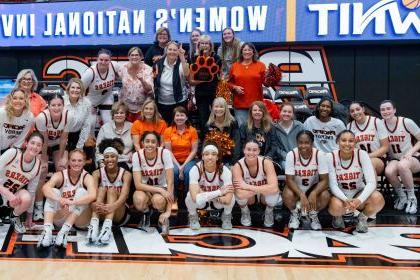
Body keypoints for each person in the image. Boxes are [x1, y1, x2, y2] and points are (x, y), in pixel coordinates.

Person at [327, 130, 384, 233]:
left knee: (378, 198)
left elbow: (371, 182)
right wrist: (345, 199)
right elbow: (333, 185)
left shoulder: (362, 154)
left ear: (355, 142)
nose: (347, 144)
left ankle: (362, 218)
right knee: (335, 207)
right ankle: (338, 217)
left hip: (358, 192)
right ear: (337, 142)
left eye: (351, 141)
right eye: (344, 140)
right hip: (340, 196)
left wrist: (359, 200)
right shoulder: (330, 157)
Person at [38, 149, 96, 247]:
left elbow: (93, 195)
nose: (76, 163)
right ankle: (47, 233)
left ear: (84, 162)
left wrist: (72, 202)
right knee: (54, 191)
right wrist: (59, 199)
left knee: (82, 192)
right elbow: (45, 188)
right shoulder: (60, 175)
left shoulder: (87, 177)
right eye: (73, 160)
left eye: (79, 160)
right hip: (62, 217)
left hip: (80, 220)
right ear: (68, 161)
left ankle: (64, 232)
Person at [34, 93, 72, 221]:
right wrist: (44, 159)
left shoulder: (68, 116)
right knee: (42, 171)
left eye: (59, 105)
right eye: (53, 105)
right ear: (48, 106)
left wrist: (61, 158)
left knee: (62, 169)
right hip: (42, 144)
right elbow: (43, 140)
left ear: (63, 105)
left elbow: (63, 139)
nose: (56, 108)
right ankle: (38, 207)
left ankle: (61, 204)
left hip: (57, 144)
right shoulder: (41, 117)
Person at [87, 139, 132, 244]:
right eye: (107, 157)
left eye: (112, 156)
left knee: (111, 190)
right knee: (101, 189)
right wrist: (92, 204)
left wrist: (113, 206)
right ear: (103, 159)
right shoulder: (96, 173)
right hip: (101, 210)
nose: (109, 159)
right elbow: (92, 195)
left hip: (119, 213)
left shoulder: (126, 174)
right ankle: (93, 227)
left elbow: (124, 196)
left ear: (117, 158)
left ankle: (107, 229)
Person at [283, 131, 330, 230]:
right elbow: (289, 180)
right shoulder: (291, 155)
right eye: (300, 142)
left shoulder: (319, 155)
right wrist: (301, 194)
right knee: (287, 194)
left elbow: (325, 180)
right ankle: (295, 213)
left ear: (312, 143)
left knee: (325, 195)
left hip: (312, 188)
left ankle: (313, 214)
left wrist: (314, 192)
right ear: (297, 143)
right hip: (296, 189)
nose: (303, 146)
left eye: (306, 142)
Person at [380, 100, 420, 214]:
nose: (386, 111)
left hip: (412, 158)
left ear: (394, 110)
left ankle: (412, 199)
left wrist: (410, 152)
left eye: (388, 108)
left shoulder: (406, 122)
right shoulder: (380, 124)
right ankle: (402, 196)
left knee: (403, 165)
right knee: (388, 171)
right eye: (382, 109)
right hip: (395, 158)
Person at [185, 141, 235, 230]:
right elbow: (194, 197)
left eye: (214, 154)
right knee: (189, 197)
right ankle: (193, 216)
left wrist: (203, 194)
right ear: (203, 157)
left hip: (217, 203)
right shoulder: (195, 170)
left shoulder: (224, 170)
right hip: (202, 203)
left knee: (232, 198)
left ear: (217, 157)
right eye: (207, 154)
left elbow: (227, 199)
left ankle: (227, 216)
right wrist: (219, 192)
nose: (210, 157)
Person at [132, 131, 174, 235]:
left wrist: (168, 211)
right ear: (142, 143)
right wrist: (159, 190)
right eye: (147, 141)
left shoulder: (164, 153)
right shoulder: (136, 156)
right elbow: (138, 184)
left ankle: (163, 217)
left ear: (158, 144)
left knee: (158, 201)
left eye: (153, 142)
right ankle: (146, 213)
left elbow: (170, 182)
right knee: (139, 200)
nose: (150, 144)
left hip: (162, 189)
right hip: (145, 189)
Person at [0, 132, 43, 233]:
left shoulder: (37, 166)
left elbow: (32, 192)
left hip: (10, 199)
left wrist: (29, 217)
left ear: (41, 148)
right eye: (32, 143)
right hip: (3, 191)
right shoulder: (13, 153)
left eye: (38, 145)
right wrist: (7, 193)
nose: (35, 147)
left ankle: (14, 217)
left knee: (27, 197)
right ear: (26, 143)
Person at [232, 139, 280, 227]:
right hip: (253, 196)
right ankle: (245, 211)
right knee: (240, 196)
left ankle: (269, 212)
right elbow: (239, 193)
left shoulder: (267, 163)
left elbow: (274, 188)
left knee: (273, 194)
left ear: (259, 151)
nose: (251, 152)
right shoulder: (237, 166)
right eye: (248, 149)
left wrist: (247, 186)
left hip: (261, 195)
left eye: (254, 150)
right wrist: (262, 189)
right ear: (244, 150)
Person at [81, 49, 121, 134]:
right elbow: (79, 89)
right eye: (101, 60)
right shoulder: (90, 73)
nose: (103, 62)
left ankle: (109, 142)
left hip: (106, 97)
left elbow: (125, 77)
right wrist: (86, 104)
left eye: (106, 60)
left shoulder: (114, 66)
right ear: (97, 60)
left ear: (110, 60)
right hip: (91, 101)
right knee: (91, 123)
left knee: (109, 122)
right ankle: (90, 144)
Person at [163, 106, 198, 199]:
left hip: (189, 159)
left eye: (182, 115)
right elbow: (168, 151)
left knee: (188, 171)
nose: (179, 118)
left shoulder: (192, 130)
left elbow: (194, 150)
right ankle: (173, 199)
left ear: (186, 117)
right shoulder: (168, 131)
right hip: (173, 160)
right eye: (177, 115)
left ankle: (189, 197)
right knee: (173, 171)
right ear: (174, 118)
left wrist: (183, 166)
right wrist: (179, 167)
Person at [189, 35, 222, 133]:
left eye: (206, 43)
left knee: (217, 118)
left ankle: (217, 140)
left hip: (214, 92)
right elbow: (191, 80)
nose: (204, 45)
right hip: (201, 93)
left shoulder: (216, 58)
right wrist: (204, 79)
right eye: (202, 43)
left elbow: (219, 76)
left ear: (210, 45)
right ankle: (205, 141)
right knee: (203, 119)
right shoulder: (194, 58)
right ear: (198, 45)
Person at [228, 43, 266, 127]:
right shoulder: (235, 66)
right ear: (241, 52)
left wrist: (274, 78)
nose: (247, 52)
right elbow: (229, 83)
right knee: (242, 128)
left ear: (253, 52)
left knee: (257, 128)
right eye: (245, 50)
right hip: (240, 105)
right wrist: (235, 87)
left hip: (257, 105)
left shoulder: (261, 65)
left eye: (249, 50)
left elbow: (266, 82)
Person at [347, 101, 389, 175]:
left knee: (369, 164)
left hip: (379, 158)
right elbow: (349, 147)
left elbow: (385, 147)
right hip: (359, 159)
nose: (355, 112)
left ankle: (372, 187)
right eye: (352, 111)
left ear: (363, 109)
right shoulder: (349, 126)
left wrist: (367, 157)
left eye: (357, 109)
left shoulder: (376, 122)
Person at [239, 101, 283, 170]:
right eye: (255, 110)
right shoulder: (244, 126)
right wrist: (250, 156)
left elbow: (274, 145)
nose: (257, 112)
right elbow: (241, 145)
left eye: (260, 110)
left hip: (266, 159)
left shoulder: (271, 127)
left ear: (264, 112)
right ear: (251, 112)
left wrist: (268, 157)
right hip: (249, 158)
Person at [154, 41, 189, 124]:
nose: (172, 52)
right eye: (170, 49)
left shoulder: (181, 64)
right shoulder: (158, 63)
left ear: (178, 51)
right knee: (165, 128)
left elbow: (187, 74)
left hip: (179, 102)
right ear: (166, 51)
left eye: (175, 50)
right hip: (162, 103)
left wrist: (182, 57)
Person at [118, 47, 154, 122]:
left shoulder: (148, 69)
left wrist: (142, 80)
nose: (134, 57)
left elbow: (149, 90)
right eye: (132, 55)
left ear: (141, 57)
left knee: (140, 131)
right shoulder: (122, 69)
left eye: (137, 55)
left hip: (142, 108)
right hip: (126, 107)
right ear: (128, 57)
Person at [203, 97, 240, 164]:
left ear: (226, 109)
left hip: (230, 159)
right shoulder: (208, 125)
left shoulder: (233, 123)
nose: (218, 109)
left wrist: (234, 163)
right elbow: (205, 144)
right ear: (212, 108)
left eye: (221, 107)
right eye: (216, 107)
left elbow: (236, 143)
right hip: (213, 160)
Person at [96, 101, 133, 169]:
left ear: (126, 114)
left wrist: (133, 155)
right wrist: (101, 162)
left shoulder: (132, 127)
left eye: (122, 113)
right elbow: (98, 149)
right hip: (107, 162)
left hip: (126, 162)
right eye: (116, 113)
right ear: (113, 115)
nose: (119, 115)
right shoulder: (105, 128)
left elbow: (137, 147)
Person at [0, 89, 34, 154]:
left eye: (21, 98)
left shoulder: (29, 116)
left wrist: (12, 154)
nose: (18, 101)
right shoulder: (2, 112)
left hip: (9, 149)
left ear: (25, 101)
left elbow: (20, 140)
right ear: (10, 100)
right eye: (15, 98)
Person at [273, 103, 304, 170]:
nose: (286, 114)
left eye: (289, 112)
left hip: (300, 157)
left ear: (293, 114)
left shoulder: (300, 126)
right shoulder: (274, 128)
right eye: (284, 111)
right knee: (288, 167)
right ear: (280, 112)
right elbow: (276, 148)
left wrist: (298, 156)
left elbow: (304, 143)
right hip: (284, 159)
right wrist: (289, 157)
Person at [64, 78, 91, 151]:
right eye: (73, 87)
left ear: (81, 90)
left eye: (78, 88)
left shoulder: (86, 103)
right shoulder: (62, 101)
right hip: (62, 135)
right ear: (68, 89)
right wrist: (64, 145)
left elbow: (86, 126)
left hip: (78, 135)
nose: (75, 90)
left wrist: (79, 147)